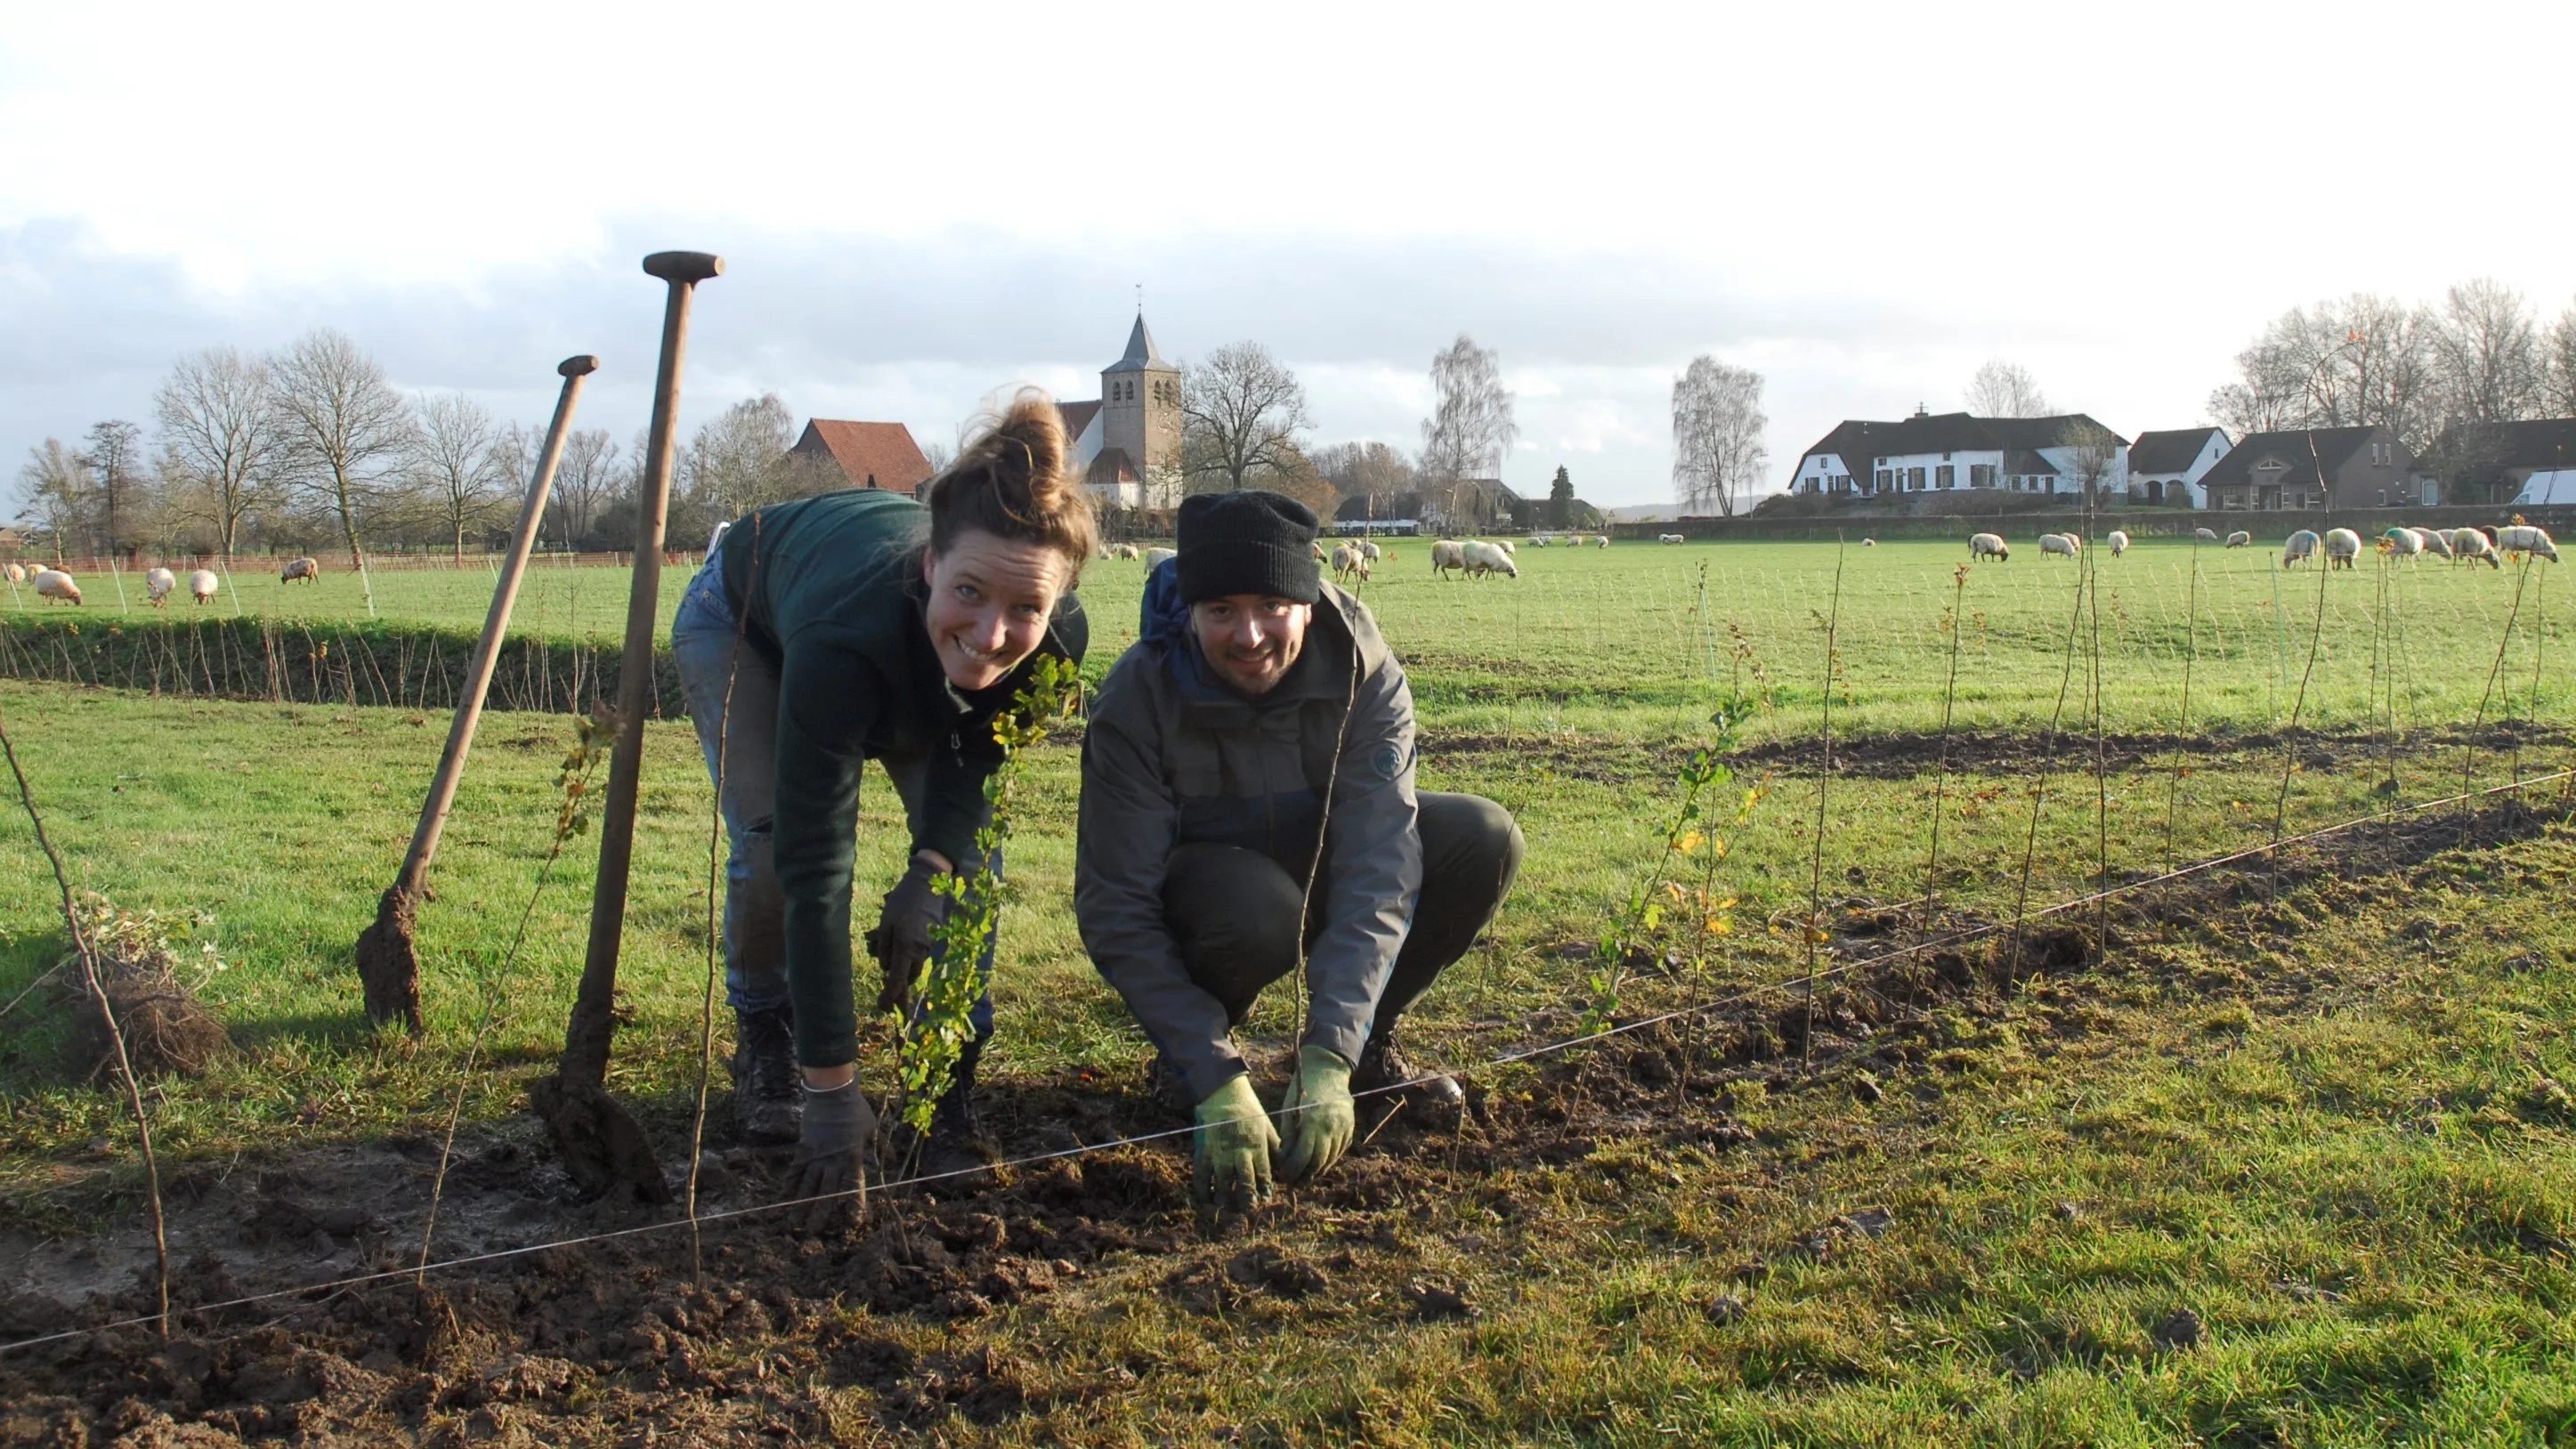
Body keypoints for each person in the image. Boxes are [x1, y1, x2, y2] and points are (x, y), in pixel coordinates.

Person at [669, 394, 1091, 1211]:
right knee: (766, 842)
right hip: (749, 617)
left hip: (899, 646)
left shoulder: (1054, 648)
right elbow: (816, 866)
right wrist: (831, 1090)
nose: (994, 632)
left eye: (1026, 610)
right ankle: (769, 1035)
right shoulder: (843, 640)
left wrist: (931, 865)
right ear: (933, 563)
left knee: (973, 861)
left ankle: (947, 1072)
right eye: (969, 589)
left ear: (1057, 600)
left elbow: (978, 755)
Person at [1074, 492, 1524, 1216]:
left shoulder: (1366, 672)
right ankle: (1193, 1066)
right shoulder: (1137, 697)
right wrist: (1211, 1072)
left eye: (1271, 606)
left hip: (1326, 866)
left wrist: (1330, 1051)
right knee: (1260, 910)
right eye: (1220, 610)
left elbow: (1381, 862)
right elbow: (1114, 903)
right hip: (1220, 899)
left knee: (1481, 837)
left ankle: (1365, 1048)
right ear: (1190, 611)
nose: (1248, 635)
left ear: (1308, 598)